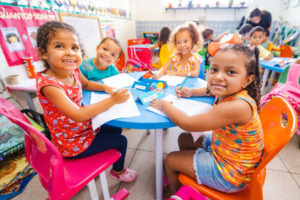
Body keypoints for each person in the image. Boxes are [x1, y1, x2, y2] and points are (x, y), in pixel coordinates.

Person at [151, 43, 263, 195]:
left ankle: (176, 192)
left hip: (231, 175)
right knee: (184, 139)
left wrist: (165, 105)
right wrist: (191, 92)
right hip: (226, 150)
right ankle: (189, 172)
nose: (218, 77)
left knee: (170, 160)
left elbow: (188, 124)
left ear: (247, 80)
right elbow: (211, 91)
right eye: (214, 69)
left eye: (230, 72)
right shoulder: (232, 91)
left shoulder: (238, 106)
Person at [35, 21, 137, 182]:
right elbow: (78, 115)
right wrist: (112, 100)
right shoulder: (50, 86)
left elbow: (87, 84)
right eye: (60, 46)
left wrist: (107, 89)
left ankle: (101, 160)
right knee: (121, 140)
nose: (69, 53)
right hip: (72, 144)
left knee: (115, 128)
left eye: (74, 47)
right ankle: (118, 171)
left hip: (84, 129)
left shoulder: (73, 70)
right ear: (43, 53)